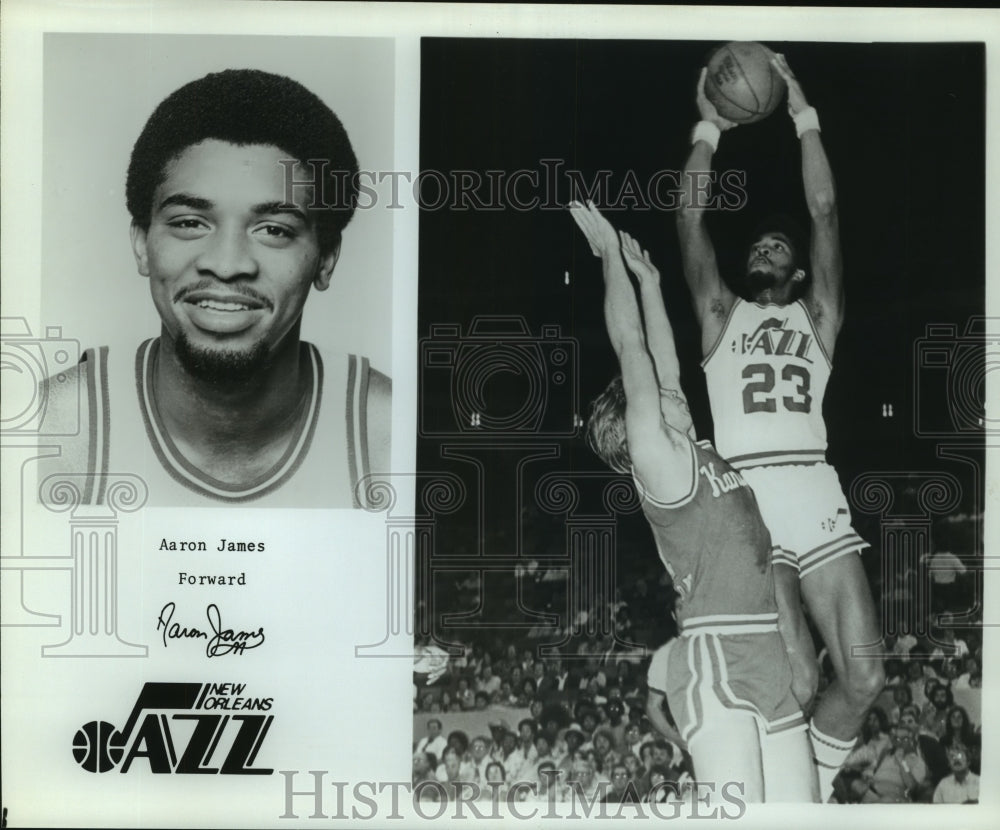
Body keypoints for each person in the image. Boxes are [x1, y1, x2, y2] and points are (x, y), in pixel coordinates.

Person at [675, 54, 883, 796]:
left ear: (797, 271)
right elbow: (689, 215)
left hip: (814, 487)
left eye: (779, 244)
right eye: (758, 241)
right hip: (748, 504)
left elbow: (823, 210)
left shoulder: (818, 317)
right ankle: (789, 800)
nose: (765, 243)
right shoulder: (719, 315)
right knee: (796, 679)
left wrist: (801, 110)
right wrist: (709, 123)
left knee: (864, 675)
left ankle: (815, 787)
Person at [39, 69, 390, 507]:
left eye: (274, 230)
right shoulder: (45, 432)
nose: (227, 265)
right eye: (190, 223)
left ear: (326, 258)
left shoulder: (390, 439)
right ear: (142, 244)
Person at [572, 201, 814, 803]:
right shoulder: (663, 466)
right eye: (655, 395)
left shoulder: (694, 446)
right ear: (639, 422)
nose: (665, 385)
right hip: (717, 656)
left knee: (803, 813)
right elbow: (632, 348)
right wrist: (608, 261)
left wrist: (652, 283)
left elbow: (663, 360)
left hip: (765, 651)